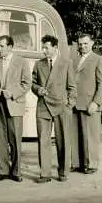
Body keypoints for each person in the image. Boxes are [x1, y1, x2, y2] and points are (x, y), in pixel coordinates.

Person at [31, 35, 77, 183]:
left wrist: (69, 104)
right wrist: (38, 89)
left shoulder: (67, 63)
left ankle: (63, 172)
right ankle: (45, 173)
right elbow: (32, 83)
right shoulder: (38, 64)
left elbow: (72, 87)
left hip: (61, 107)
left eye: (46, 48)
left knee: (63, 140)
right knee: (43, 140)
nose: (44, 51)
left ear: (55, 48)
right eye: (43, 47)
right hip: (43, 106)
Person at [0, 35, 31, 182]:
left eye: (2, 46)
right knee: (0, 139)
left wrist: (13, 94)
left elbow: (26, 84)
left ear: (10, 47)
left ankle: (16, 172)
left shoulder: (22, 62)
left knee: (15, 139)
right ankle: (3, 171)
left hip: (14, 104)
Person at [70, 34, 102, 174]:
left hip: (90, 104)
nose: (82, 46)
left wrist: (96, 102)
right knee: (74, 135)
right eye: (80, 44)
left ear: (92, 43)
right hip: (73, 103)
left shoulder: (99, 59)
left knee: (90, 136)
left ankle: (91, 164)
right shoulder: (74, 60)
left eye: (86, 43)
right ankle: (76, 163)